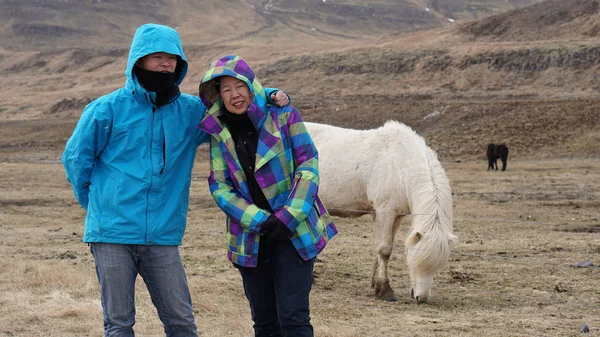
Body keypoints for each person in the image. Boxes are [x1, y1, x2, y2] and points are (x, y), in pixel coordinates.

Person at [61, 24, 289, 336]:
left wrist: (272, 92)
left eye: (172, 58)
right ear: (138, 60)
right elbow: (76, 160)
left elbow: (236, 104)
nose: (166, 64)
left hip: (163, 236)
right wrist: (97, 204)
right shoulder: (106, 110)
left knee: (181, 324)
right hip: (111, 234)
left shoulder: (191, 112)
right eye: (157, 57)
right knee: (118, 324)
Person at [197, 55, 338, 337]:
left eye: (239, 86)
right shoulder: (218, 132)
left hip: (293, 232)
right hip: (250, 235)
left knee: (293, 319)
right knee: (264, 323)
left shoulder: (285, 117)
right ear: (217, 95)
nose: (234, 95)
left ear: (252, 88)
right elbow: (220, 186)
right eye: (225, 89)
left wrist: (289, 216)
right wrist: (260, 220)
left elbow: (308, 164)